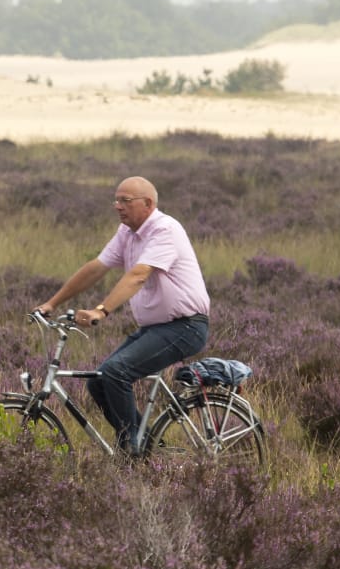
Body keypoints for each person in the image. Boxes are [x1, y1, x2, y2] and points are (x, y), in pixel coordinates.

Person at [35, 176, 211, 454]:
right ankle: (150, 448)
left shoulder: (165, 229)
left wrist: (101, 311)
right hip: (156, 328)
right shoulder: (127, 232)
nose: (117, 206)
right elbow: (96, 267)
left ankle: (134, 449)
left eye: (125, 201)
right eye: (116, 200)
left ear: (148, 204)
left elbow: (139, 275)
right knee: (98, 380)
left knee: (116, 373)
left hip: (185, 327)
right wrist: (52, 303)